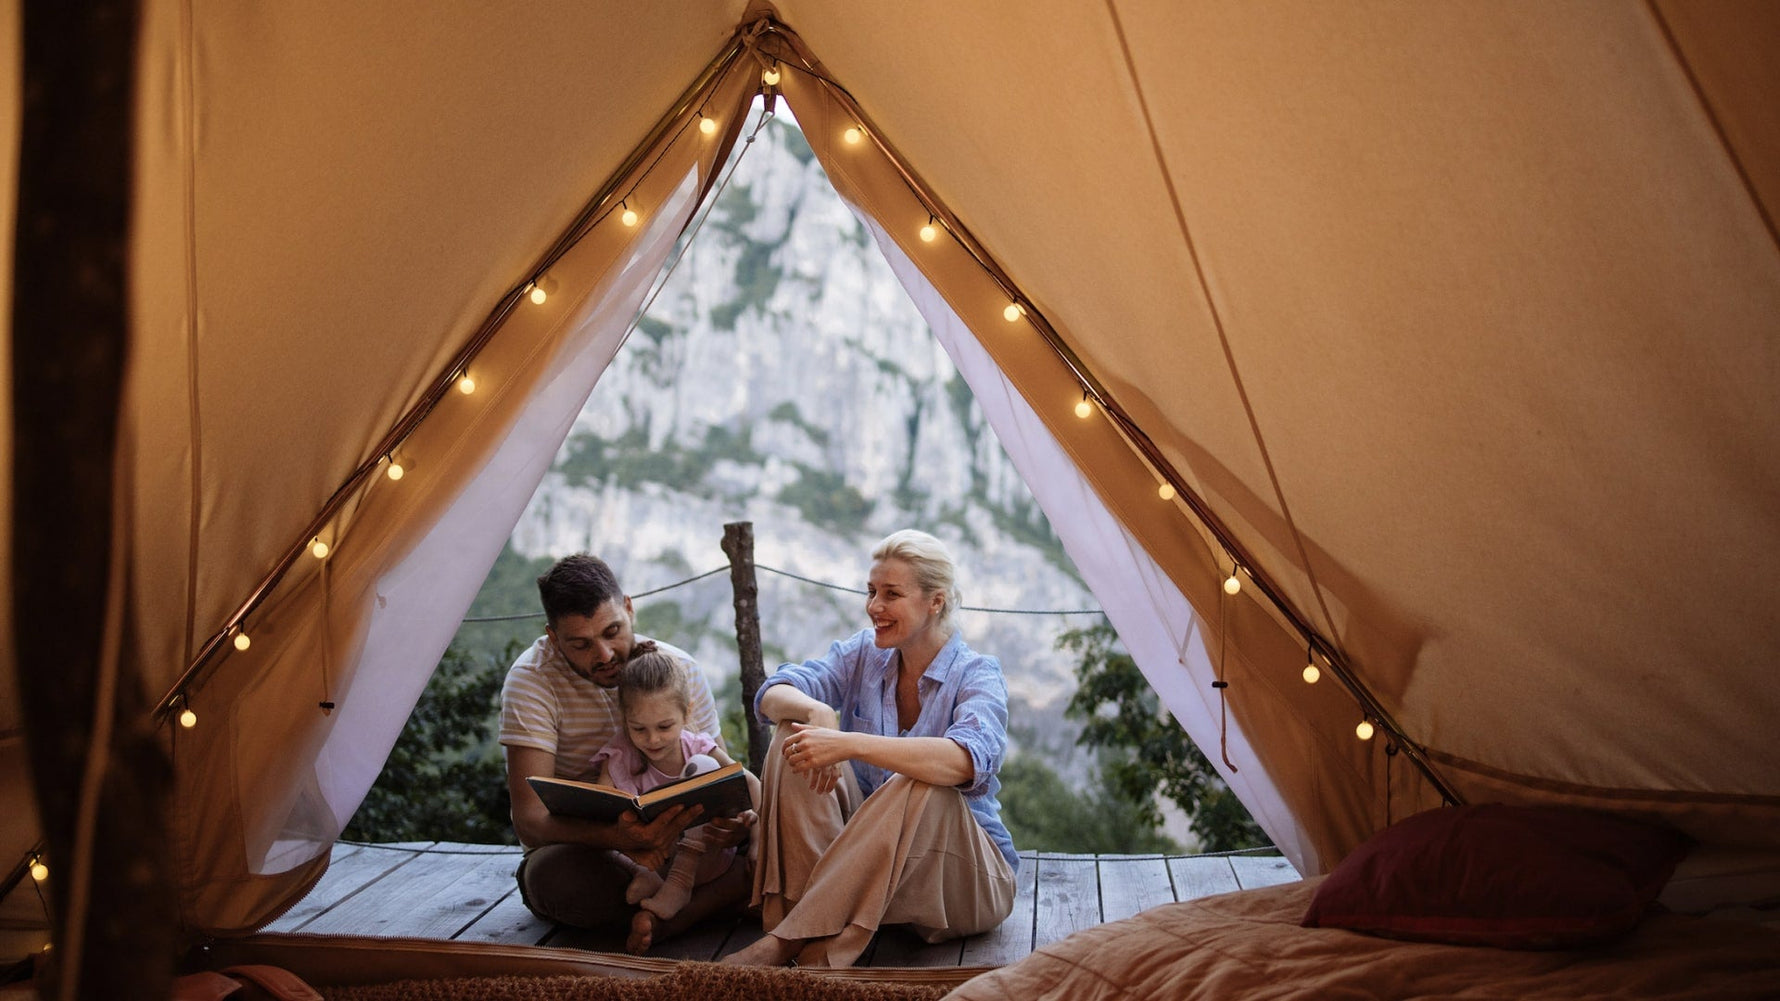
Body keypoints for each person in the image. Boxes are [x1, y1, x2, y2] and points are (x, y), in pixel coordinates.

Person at [723, 529, 1018, 968]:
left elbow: (963, 762)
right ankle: (816, 920)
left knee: (922, 781)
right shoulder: (864, 652)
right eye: (871, 591)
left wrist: (848, 743)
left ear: (935, 602)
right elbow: (772, 695)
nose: (874, 606)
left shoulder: (978, 674)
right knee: (793, 734)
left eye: (891, 594)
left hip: (962, 881)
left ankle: (789, 938)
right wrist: (818, 711)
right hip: (873, 873)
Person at [499, 553, 751, 946]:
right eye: (580, 644)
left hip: (690, 844)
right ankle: (710, 901)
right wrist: (618, 838)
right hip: (594, 849)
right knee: (556, 879)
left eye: (612, 631)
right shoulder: (532, 681)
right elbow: (529, 819)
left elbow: (721, 779)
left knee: (771, 843)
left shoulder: (678, 669)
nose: (603, 655)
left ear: (629, 608)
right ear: (553, 637)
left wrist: (732, 822)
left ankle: (672, 913)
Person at [589, 642, 760, 953]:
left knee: (705, 767)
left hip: (703, 859)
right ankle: (651, 884)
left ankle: (679, 886)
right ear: (624, 719)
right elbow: (602, 810)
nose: (653, 739)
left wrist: (758, 837)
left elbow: (750, 783)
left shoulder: (696, 746)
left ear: (687, 713)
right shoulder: (619, 754)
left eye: (665, 726)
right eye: (639, 729)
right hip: (650, 861)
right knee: (600, 831)